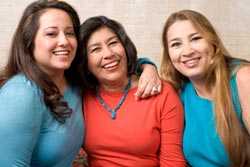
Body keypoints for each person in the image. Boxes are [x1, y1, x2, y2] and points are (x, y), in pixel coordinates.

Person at [0, 0, 161, 166]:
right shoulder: (19, 94)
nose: (64, 41)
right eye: (51, 34)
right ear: (29, 42)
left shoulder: (75, 81)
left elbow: (114, 65)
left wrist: (147, 66)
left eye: (70, 33)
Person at [79, 16, 186, 166]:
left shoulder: (161, 93)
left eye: (113, 43)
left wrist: (147, 66)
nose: (109, 54)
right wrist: (146, 65)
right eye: (96, 49)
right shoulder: (80, 94)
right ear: (84, 61)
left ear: (125, 47)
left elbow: (173, 161)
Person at [160, 9, 250, 167]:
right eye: (176, 44)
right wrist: (146, 66)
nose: (187, 51)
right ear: (169, 55)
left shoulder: (243, 78)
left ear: (212, 43)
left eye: (195, 38)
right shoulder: (178, 91)